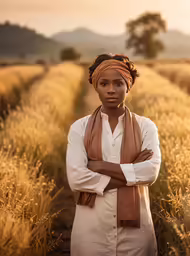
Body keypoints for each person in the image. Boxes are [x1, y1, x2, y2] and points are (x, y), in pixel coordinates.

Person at [66, 53, 162, 256]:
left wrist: (99, 167)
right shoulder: (79, 128)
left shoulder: (146, 127)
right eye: (104, 83)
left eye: (118, 83)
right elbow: (76, 179)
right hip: (91, 230)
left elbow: (151, 172)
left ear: (129, 86)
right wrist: (132, 171)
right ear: (96, 86)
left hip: (136, 234)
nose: (111, 90)